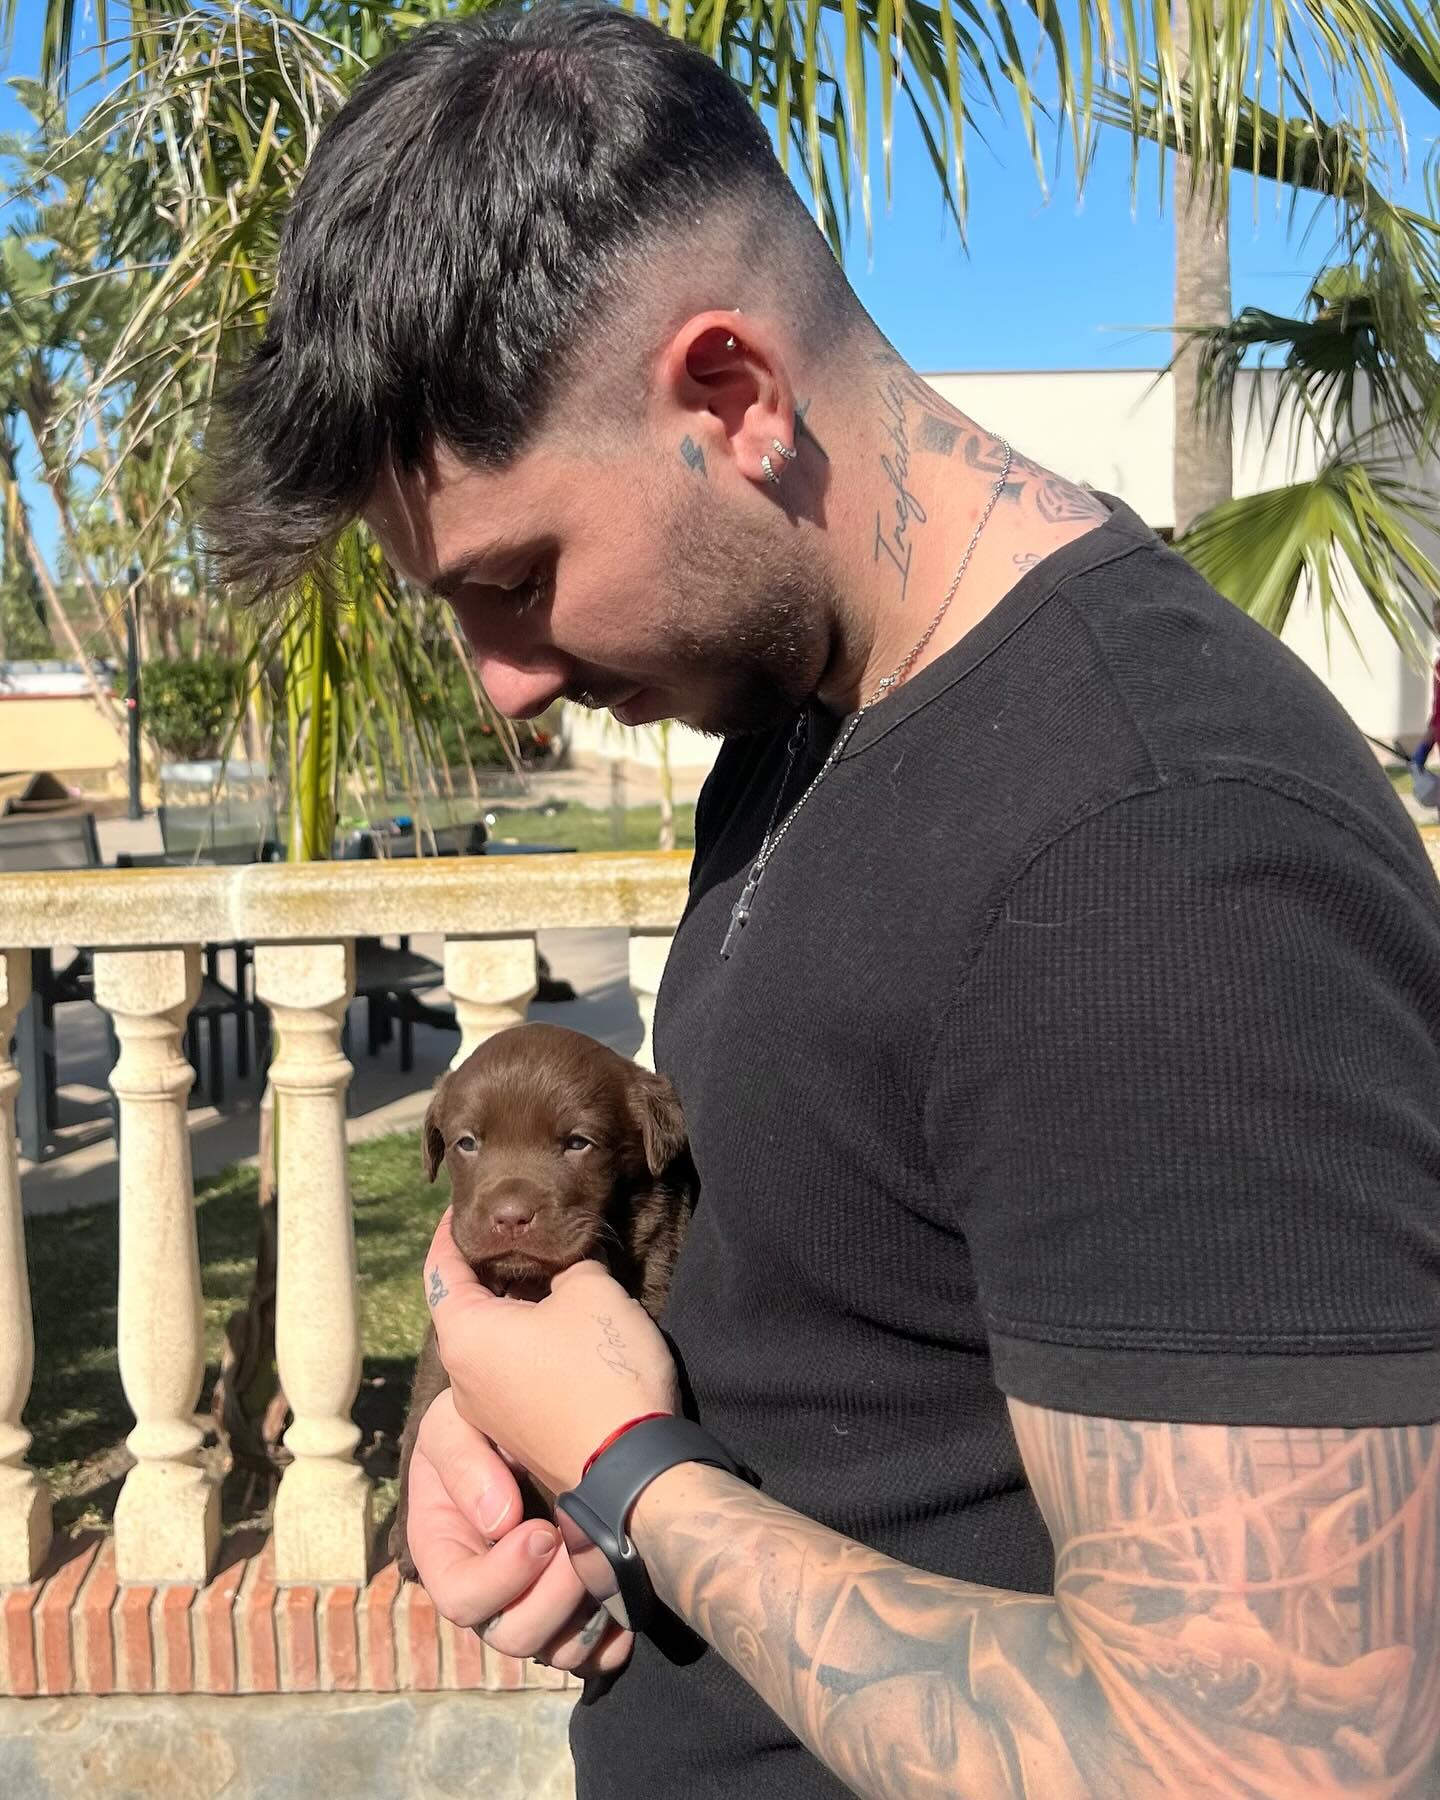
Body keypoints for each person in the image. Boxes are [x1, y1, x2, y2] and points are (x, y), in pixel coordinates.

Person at [204, 8, 1440, 1794]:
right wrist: (517, 1439)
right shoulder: (797, 738)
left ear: (731, 394)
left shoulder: (1157, 847)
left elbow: (1274, 1756)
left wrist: (640, 1476)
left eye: (522, 579)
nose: (501, 686)